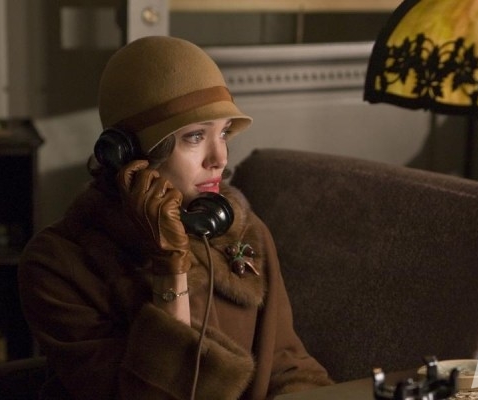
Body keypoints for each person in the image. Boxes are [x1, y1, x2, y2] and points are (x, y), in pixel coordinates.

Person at [18, 35, 333, 399]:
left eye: (223, 133)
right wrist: (170, 267)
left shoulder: (244, 230)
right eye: (195, 136)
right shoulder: (57, 264)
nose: (220, 157)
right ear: (126, 153)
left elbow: (288, 366)